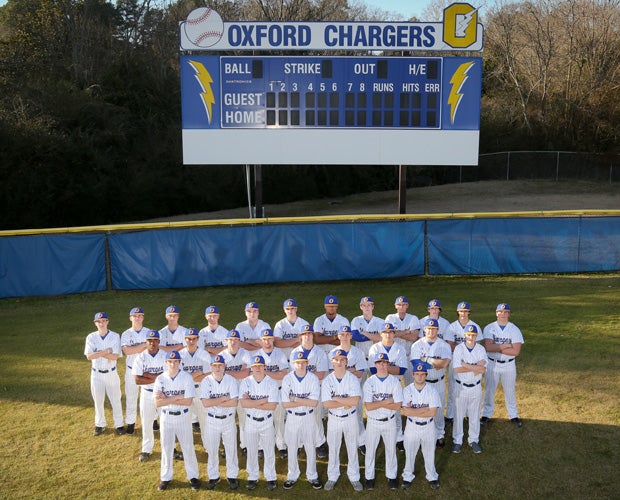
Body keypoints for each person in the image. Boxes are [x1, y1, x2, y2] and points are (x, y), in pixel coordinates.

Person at [154, 350, 200, 492]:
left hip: (183, 416)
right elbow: (157, 403)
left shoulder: (186, 378)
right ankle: (165, 477)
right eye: (170, 361)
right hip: (166, 416)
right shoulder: (160, 379)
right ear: (166, 362)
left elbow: (188, 401)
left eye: (175, 361)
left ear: (180, 362)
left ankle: (193, 476)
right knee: (166, 447)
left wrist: (167, 397)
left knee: (188, 446)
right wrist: (176, 397)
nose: (173, 364)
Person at [321, 349, 363, 492]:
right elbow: (327, 404)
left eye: (342, 360)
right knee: (333, 448)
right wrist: (346, 401)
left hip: (350, 417)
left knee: (352, 447)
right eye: (336, 360)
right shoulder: (327, 380)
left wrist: (337, 398)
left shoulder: (352, 378)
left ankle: (354, 476)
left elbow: (356, 401)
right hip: (333, 418)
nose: (339, 362)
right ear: (332, 361)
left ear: (346, 362)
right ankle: (332, 476)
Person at [281, 351, 323, 490]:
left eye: (303, 362)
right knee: (292, 448)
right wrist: (305, 400)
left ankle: (312, 475)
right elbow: (286, 404)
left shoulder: (313, 378)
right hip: (292, 417)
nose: (300, 364)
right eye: (297, 362)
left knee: (310, 447)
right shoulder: (287, 379)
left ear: (307, 363)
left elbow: (314, 403)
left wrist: (296, 399)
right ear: (293, 364)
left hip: (308, 416)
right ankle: (292, 475)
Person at [363, 352, 403, 490]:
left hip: (389, 421)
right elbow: (368, 405)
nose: (382, 365)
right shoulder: (369, 382)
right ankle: (369, 477)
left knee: (391, 449)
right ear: (375, 364)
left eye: (385, 362)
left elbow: (397, 406)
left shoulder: (394, 381)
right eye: (379, 363)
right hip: (373, 422)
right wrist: (388, 400)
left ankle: (391, 476)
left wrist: (378, 403)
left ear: (388, 364)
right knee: (370, 450)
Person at [239, 355, 280, 491]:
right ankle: (252, 476)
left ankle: (271, 477)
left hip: (267, 420)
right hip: (250, 420)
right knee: (251, 450)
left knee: (269, 451)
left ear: (264, 367)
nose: (257, 368)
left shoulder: (271, 382)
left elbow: (272, 406)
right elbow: (244, 403)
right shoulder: (245, 382)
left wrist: (252, 402)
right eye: (255, 366)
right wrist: (263, 401)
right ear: (251, 367)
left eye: (260, 366)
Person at [200, 354, 240, 491]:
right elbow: (205, 403)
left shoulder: (231, 380)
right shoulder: (205, 381)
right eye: (215, 365)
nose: (217, 368)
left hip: (228, 419)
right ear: (211, 367)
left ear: (224, 366)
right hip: (211, 420)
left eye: (220, 365)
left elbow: (234, 402)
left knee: (231, 449)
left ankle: (232, 475)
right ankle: (213, 475)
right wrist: (224, 398)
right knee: (212, 449)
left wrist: (215, 402)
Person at [410, 318, 452, 448]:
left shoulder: (444, 345)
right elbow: (417, 366)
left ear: (438, 330)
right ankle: (423, 435)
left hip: (438, 382)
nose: (431, 331)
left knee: (438, 409)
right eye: (429, 328)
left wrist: (427, 359)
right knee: (423, 408)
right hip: (423, 383)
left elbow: (444, 364)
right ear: (424, 329)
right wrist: (436, 362)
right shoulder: (416, 345)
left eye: (434, 328)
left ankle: (440, 434)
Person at [289, 324, 330, 459]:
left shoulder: (320, 352)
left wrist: (303, 373)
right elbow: (294, 374)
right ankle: (300, 444)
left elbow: (321, 374)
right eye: (304, 334)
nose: (307, 336)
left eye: (309, 334)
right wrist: (309, 373)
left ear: (313, 336)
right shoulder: (294, 352)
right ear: (300, 337)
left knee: (316, 418)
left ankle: (320, 443)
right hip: (299, 390)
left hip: (315, 390)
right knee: (299, 417)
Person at [481, 303, 524, 427]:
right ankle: (486, 414)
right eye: (500, 311)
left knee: (510, 390)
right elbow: (488, 347)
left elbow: (516, 351)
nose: (503, 314)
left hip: (509, 364)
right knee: (489, 389)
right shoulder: (489, 327)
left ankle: (513, 415)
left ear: (509, 314)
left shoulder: (514, 329)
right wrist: (506, 345)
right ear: (496, 313)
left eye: (506, 312)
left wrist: (497, 347)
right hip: (492, 363)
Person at [401, 360, 441, 490]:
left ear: (426, 375)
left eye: (422, 374)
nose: (419, 376)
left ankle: (432, 476)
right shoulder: (406, 390)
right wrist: (424, 410)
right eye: (417, 374)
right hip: (412, 426)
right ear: (413, 374)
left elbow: (433, 412)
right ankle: (407, 476)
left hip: (428, 426)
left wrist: (414, 411)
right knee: (410, 452)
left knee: (429, 452)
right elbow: (406, 412)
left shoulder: (432, 390)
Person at [368, 322, 409, 451]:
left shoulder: (400, 348)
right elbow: (373, 370)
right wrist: (392, 368)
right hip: (377, 385)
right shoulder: (374, 348)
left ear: (394, 334)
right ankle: (379, 436)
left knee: (395, 412)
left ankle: (399, 438)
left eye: (390, 332)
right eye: (385, 332)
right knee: (378, 411)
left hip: (394, 384)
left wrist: (383, 367)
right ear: (381, 334)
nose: (388, 334)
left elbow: (402, 370)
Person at [84, 312, 124, 436]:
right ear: (95, 323)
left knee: (115, 400)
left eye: (103, 320)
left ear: (107, 321)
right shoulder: (91, 337)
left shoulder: (115, 336)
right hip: (96, 374)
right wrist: (107, 351)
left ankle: (119, 424)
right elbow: (89, 356)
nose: (101, 323)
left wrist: (98, 352)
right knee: (98, 400)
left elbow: (115, 356)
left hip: (111, 372)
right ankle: (99, 424)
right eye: (98, 321)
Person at [329, 324, 368, 453]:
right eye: (342, 334)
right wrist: (351, 369)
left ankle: (361, 441)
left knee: (357, 415)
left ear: (351, 335)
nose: (345, 337)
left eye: (347, 334)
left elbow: (360, 373)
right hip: (338, 390)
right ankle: (340, 441)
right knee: (338, 415)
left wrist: (343, 370)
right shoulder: (332, 352)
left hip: (354, 389)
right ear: (338, 336)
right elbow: (332, 373)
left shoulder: (358, 352)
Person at [445, 301, 483, 423]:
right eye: (461, 311)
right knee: (453, 388)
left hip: (471, 361)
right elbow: (450, 345)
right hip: (455, 361)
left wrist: (464, 353)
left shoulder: (475, 326)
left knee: (470, 386)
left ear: (469, 312)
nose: (463, 313)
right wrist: (462, 351)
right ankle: (450, 415)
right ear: (458, 312)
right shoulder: (452, 326)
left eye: (466, 311)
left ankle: (468, 413)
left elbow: (478, 345)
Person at [452, 325, 487, 454]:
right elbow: (456, 369)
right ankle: (457, 441)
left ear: (476, 336)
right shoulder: (458, 348)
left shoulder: (481, 349)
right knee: (458, 415)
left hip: (476, 386)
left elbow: (482, 370)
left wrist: (465, 364)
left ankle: (473, 439)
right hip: (461, 386)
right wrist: (475, 366)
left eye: (473, 335)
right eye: (468, 334)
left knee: (474, 415)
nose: (471, 337)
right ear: (465, 335)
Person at [132, 329, 166, 462]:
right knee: (146, 423)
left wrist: (148, 375)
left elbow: (168, 377)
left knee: (165, 423)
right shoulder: (140, 357)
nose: (152, 343)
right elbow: (137, 380)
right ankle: (146, 449)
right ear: (146, 342)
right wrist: (158, 377)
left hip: (162, 394)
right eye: (149, 341)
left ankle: (169, 448)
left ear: (158, 342)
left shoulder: (165, 356)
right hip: (146, 394)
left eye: (155, 341)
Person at [256, 328, 289, 458]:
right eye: (264, 339)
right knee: (263, 421)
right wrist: (271, 374)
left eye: (269, 338)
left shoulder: (280, 354)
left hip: (278, 392)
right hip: (262, 394)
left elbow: (283, 375)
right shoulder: (257, 356)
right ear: (261, 340)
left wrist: (265, 372)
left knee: (279, 419)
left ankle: (281, 445)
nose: (267, 341)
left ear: (273, 339)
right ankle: (262, 446)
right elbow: (256, 375)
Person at [220, 329, 251, 452]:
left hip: (243, 391)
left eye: (236, 340)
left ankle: (245, 445)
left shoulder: (245, 353)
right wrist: (239, 372)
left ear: (239, 341)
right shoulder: (221, 356)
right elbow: (220, 373)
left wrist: (227, 372)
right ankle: (227, 447)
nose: (233, 342)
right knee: (227, 421)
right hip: (227, 392)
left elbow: (247, 372)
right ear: (226, 341)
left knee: (244, 419)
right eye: (230, 340)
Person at [120, 307, 149, 435]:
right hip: (131, 370)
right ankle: (131, 423)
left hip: (147, 370)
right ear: (130, 318)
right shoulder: (126, 333)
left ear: (143, 317)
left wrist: (135, 348)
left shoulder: (149, 332)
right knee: (131, 397)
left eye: (139, 315)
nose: (137, 318)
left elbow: (152, 350)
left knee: (148, 397)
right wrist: (143, 345)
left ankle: (152, 421)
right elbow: (127, 351)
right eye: (135, 316)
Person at [179, 327, 211, 435]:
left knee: (204, 420)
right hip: (185, 391)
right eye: (189, 339)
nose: (191, 341)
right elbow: (178, 377)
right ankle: (187, 449)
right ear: (185, 339)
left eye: (194, 338)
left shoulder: (204, 354)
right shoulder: (180, 355)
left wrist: (189, 377)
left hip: (200, 390)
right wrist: (197, 373)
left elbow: (207, 375)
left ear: (198, 339)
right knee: (184, 421)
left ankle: (208, 448)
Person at [385, 296, 420, 387]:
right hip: (394, 358)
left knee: (411, 386)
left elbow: (413, 337)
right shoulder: (390, 318)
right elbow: (388, 335)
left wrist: (396, 333)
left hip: (409, 356)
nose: (401, 307)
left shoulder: (413, 318)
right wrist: (406, 331)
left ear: (407, 305)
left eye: (404, 305)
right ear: (395, 306)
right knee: (393, 386)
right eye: (399, 305)